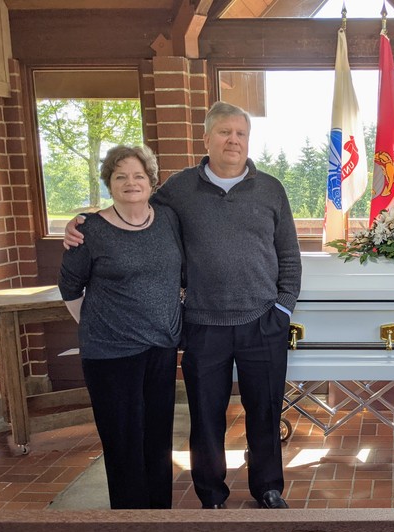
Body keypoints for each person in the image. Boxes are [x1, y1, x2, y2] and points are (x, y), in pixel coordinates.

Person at [64, 102, 302, 510]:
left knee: (264, 410)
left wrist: (282, 310)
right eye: (224, 132)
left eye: (240, 134)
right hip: (202, 324)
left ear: (248, 140)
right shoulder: (177, 189)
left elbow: (290, 256)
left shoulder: (271, 190)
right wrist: (82, 221)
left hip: (262, 322)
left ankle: (268, 486)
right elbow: (132, 203)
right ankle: (210, 492)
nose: (233, 140)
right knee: (205, 417)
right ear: (206, 138)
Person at [58, 145, 183, 509]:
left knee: (158, 439)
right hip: (111, 355)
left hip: (160, 347)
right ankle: (130, 525)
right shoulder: (89, 229)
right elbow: (70, 286)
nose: (131, 183)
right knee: (124, 442)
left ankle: (159, 516)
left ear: (151, 181)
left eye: (139, 175)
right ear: (109, 183)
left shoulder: (167, 220)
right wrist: (98, 325)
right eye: (121, 176)